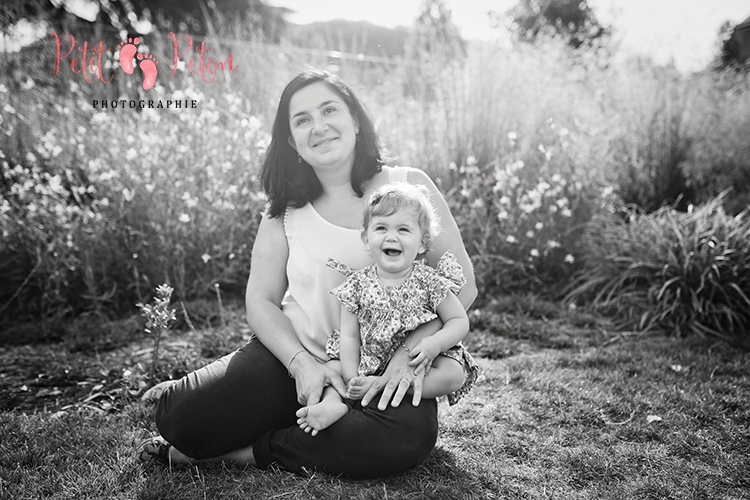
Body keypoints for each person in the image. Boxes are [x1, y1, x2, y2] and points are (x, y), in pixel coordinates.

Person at [137, 68, 477, 479]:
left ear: (353, 119)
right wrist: (302, 364)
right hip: (296, 359)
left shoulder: (408, 187)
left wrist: (407, 359)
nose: (318, 127)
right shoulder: (283, 211)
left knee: (400, 440)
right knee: (180, 419)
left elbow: (461, 284)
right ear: (291, 141)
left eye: (329, 109)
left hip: (385, 370)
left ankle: (247, 452)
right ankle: (303, 410)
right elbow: (260, 301)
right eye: (302, 120)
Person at [295, 183, 479, 436]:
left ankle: (389, 386)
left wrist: (434, 344)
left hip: (417, 361)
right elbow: (349, 336)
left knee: (452, 373)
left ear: (423, 243)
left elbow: (458, 320)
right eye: (381, 228)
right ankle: (332, 404)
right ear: (366, 238)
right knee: (332, 369)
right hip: (368, 358)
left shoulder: (430, 281)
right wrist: (352, 377)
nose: (391, 236)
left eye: (403, 229)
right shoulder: (356, 284)